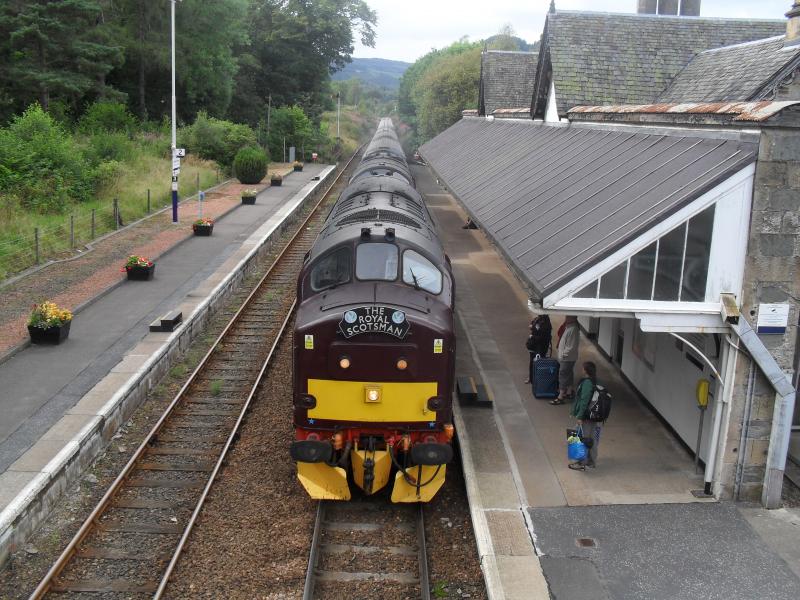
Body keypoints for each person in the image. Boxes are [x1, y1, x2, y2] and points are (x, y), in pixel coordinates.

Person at [568, 361, 601, 470]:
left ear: (586, 371)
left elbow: (584, 400)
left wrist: (580, 416)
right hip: (594, 417)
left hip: (586, 417)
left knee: (578, 437)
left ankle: (580, 462)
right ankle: (591, 461)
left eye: (583, 368)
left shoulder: (587, 383)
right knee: (592, 439)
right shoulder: (595, 381)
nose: (581, 370)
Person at [550, 315, 579, 405]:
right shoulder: (569, 327)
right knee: (569, 373)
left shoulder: (573, 329)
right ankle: (569, 392)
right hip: (568, 357)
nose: (565, 318)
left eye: (568, 317)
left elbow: (571, 346)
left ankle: (561, 396)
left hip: (567, 358)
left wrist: (563, 355)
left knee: (562, 375)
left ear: (573, 319)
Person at [524, 314, 552, 383]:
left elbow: (542, 336)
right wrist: (532, 326)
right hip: (534, 344)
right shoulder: (537, 319)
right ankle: (531, 377)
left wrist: (533, 334)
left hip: (541, 346)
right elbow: (533, 323)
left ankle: (538, 378)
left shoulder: (546, 323)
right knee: (532, 362)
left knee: (539, 362)